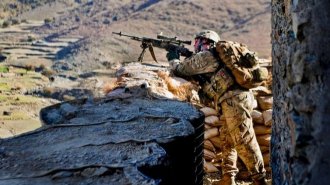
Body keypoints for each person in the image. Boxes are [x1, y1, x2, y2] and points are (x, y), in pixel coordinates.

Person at [166, 30, 267, 185]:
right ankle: (228, 177)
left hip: (234, 101)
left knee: (243, 139)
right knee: (228, 139)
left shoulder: (207, 56)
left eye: (200, 43)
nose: (197, 46)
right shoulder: (215, 57)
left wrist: (173, 58)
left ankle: (259, 179)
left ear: (208, 43)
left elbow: (180, 70)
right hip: (232, 100)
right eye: (197, 43)